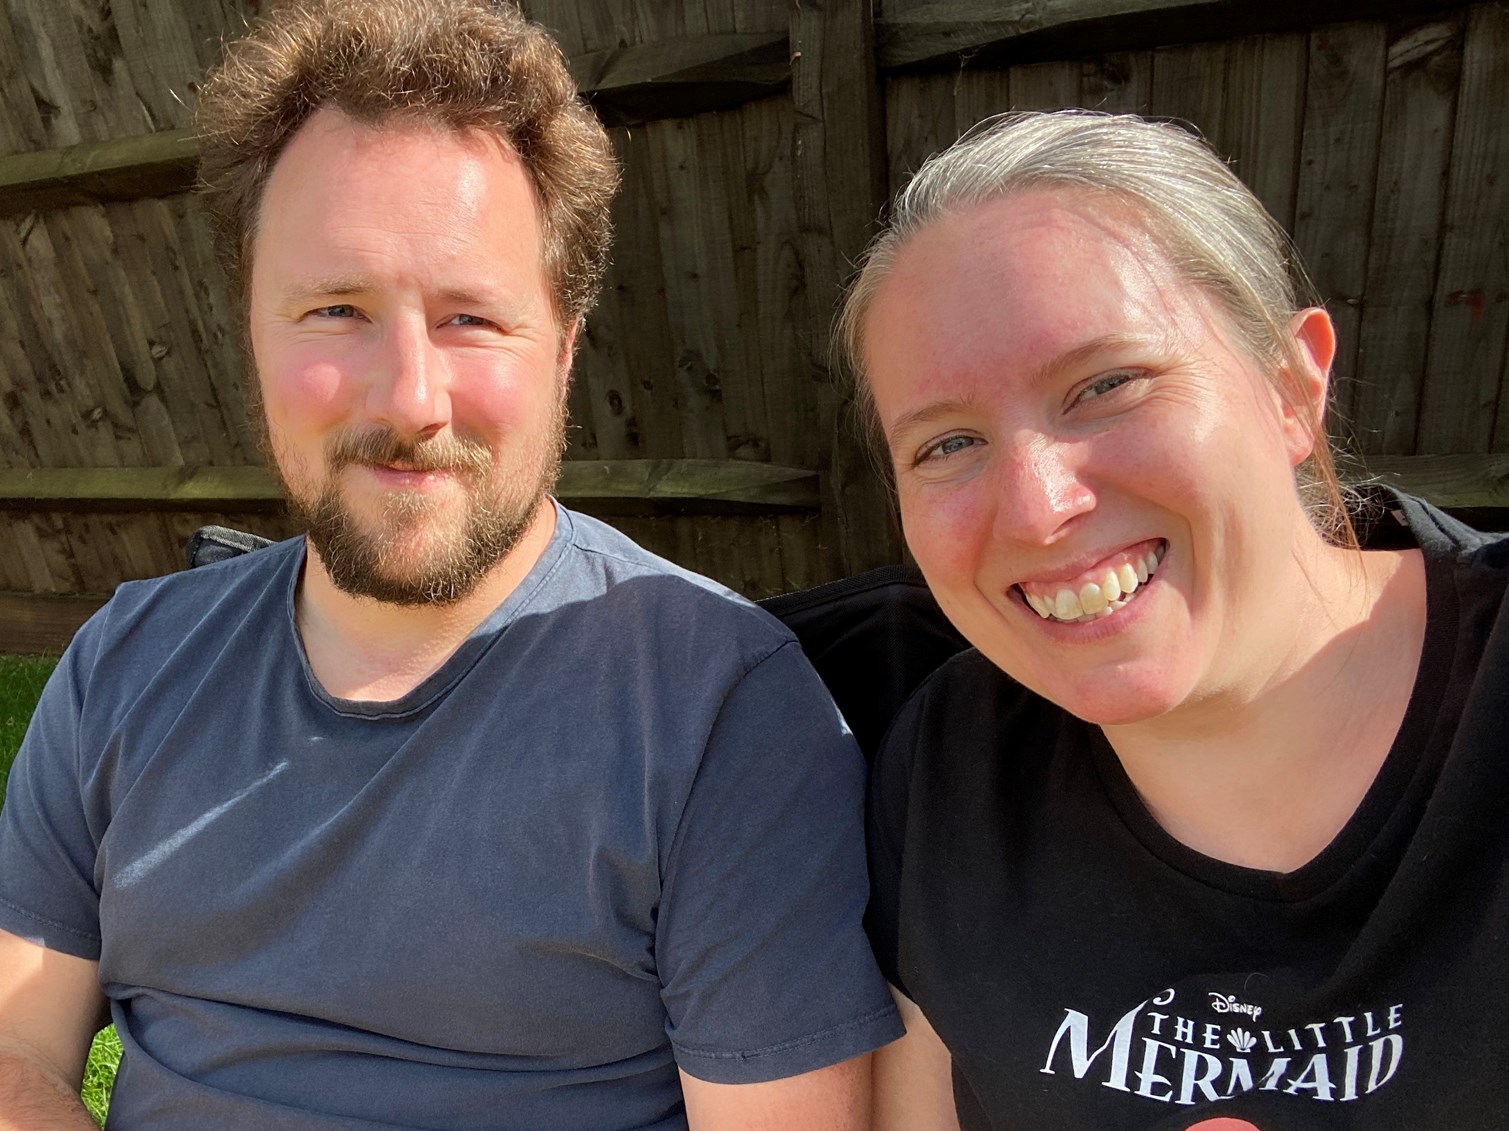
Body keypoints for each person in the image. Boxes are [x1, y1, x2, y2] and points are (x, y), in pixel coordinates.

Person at [0, 1, 902, 1126]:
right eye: (336, 308)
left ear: (563, 350)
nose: (410, 399)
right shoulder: (125, 664)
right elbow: (15, 1045)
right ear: (252, 333)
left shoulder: (719, 709)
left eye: (471, 317)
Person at [841, 110, 1509, 1129]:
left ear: (1292, 386)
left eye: (1106, 386)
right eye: (947, 445)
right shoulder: (950, 771)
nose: (1036, 509)